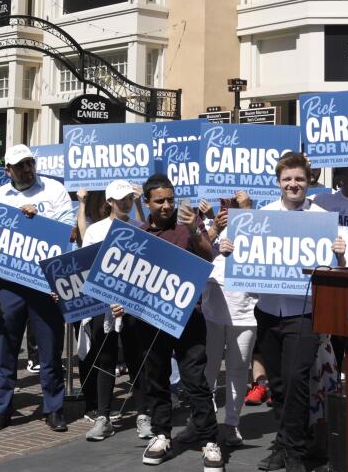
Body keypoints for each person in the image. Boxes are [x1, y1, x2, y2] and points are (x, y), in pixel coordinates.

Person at [234, 152, 346, 472]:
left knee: (297, 380)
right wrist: (232, 249)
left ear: (308, 180)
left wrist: (339, 256)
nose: (293, 184)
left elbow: (335, 272)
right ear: (278, 182)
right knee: (280, 384)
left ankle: (295, 451)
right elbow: (247, 259)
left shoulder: (322, 217)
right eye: (287, 179)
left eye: (299, 178)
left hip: (305, 312)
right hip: (269, 311)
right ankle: (283, 445)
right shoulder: (263, 215)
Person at [125, 173, 223, 471]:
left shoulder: (187, 230)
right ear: (146, 203)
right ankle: (161, 434)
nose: (166, 205)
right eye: (159, 201)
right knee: (155, 379)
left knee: (195, 380)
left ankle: (209, 439)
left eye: (170, 199)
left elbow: (208, 255)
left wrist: (195, 228)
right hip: (151, 320)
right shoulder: (138, 234)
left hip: (188, 319)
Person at [0, 144, 74, 434]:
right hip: (10, 282)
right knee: (7, 346)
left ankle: (54, 408)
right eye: (19, 165)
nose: (26, 169)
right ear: (8, 170)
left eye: (29, 163)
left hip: (45, 281)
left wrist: (38, 220)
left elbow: (69, 230)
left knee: (49, 348)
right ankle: (0, 409)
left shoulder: (54, 190)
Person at [78, 180, 144, 442]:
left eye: (129, 198)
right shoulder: (96, 230)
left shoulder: (140, 227)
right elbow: (88, 267)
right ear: (109, 202)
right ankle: (103, 416)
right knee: (104, 359)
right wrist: (109, 298)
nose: (125, 203)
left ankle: (143, 413)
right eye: (120, 199)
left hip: (133, 306)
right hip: (103, 306)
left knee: (136, 359)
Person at [201, 191, 257, 447]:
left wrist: (247, 210)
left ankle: (232, 423)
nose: (230, 204)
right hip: (213, 306)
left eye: (235, 201)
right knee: (209, 367)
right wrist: (214, 233)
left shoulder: (257, 223)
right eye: (225, 202)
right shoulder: (212, 227)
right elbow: (199, 256)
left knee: (237, 368)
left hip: (246, 308)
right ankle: (207, 421)